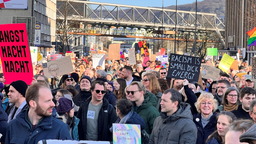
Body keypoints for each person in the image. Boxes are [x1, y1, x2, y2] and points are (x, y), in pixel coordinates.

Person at [5, 83, 72, 144]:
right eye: (47, 101)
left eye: (52, 99)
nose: (53, 104)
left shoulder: (60, 128)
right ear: (33, 104)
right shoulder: (13, 126)